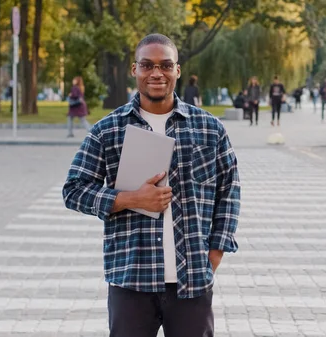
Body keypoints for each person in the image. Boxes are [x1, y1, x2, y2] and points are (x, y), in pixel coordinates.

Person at [62, 33, 241, 337]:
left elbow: (229, 190)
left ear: (177, 71)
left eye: (165, 65)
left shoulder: (210, 128)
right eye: (147, 65)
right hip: (131, 279)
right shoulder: (108, 129)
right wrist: (130, 199)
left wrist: (216, 252)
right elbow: (74, 190)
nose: (156, 73)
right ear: (135, 70)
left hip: (192, 281)